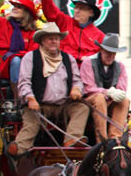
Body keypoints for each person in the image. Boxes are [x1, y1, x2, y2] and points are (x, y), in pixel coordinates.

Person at [8, 23, 87, 155]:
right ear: (42, 40)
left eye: (56, 38)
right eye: (50, 38)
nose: (53, 41)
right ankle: (19, 148)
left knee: (82, 108)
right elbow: (24, 82)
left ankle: (72, 140)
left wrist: (76, 89)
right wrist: (30, 98)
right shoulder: (30, 57)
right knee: (31, 123)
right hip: (38, 105)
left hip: (62, 105)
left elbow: (77, 81)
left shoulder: (68, 59)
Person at [39, 0, 105, 62]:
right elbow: (51, 12)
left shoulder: (100, 36)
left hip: (85, 71)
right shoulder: (65, 22)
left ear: (91, 13)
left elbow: (102, 59)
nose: (77, 11)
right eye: (76, 7)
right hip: (64, 68)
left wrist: (86, 59)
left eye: (81, 8)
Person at [80, 34, 130, 143]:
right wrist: (107, 92)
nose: (110, 56)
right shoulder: (88, 62)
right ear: (101, 50)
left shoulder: (120, 66)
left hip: (110, 101)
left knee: (124, 101)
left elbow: (122, 89)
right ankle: (101, 140)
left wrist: (116, 93)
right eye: (108, 52)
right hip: (90, 101)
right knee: (99, 98)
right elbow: (88, 88)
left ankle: (115, 137)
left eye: (113, 53)